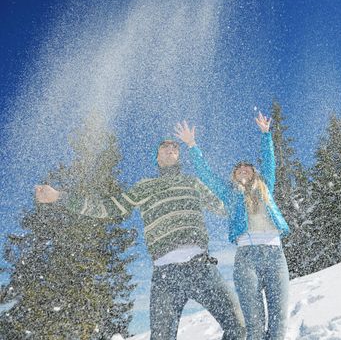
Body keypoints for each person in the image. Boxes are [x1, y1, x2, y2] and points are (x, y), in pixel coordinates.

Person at [35, 139, 245, 340]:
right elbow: (108, 208)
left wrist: (243, 190)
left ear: (179, 155)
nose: (171, 148)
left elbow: (225, 208)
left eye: (174, 146)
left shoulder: (193, 183)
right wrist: (60, 197)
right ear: (157, 157)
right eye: (165, 146)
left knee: (239, 327)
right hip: (166, 276)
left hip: (202, 268)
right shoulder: (145, 187)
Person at [175, 113, 290, 340]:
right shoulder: (229, 194)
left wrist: (266, 135)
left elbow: (269, 162)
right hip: (247, 259)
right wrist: (192, 145)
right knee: (254, 327)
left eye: (248, 167)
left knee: (278, 326)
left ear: (255, 173)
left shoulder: (266, 187)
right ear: (234, 176)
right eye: (239, 168)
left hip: (276, 256)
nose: (244, 169)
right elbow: (206, 175)